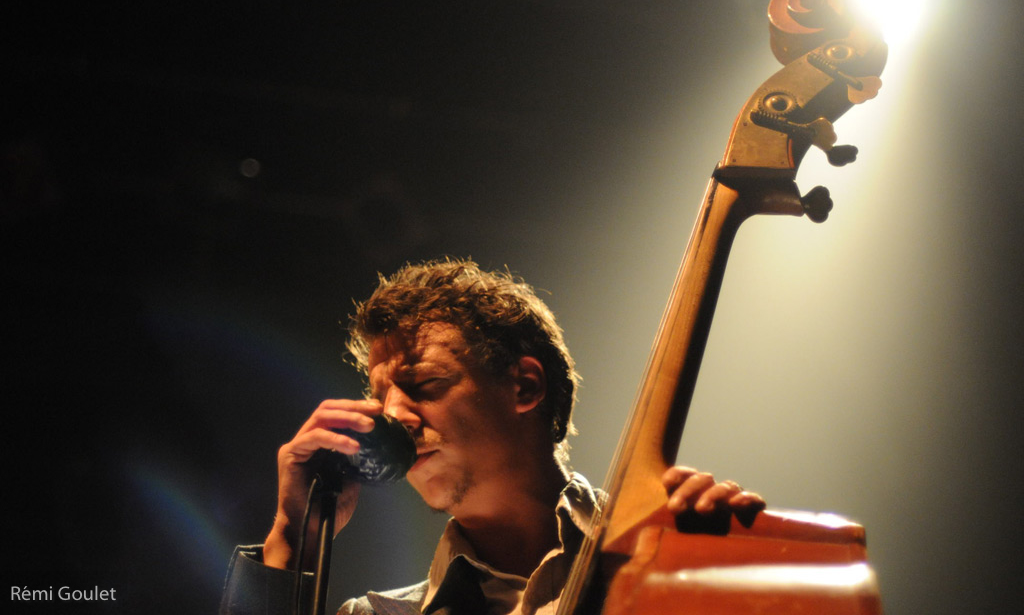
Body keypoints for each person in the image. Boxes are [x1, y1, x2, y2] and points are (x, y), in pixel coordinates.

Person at [220, 259, 765, 615]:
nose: (393, 417)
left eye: (425, 384)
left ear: (525, 386)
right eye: (381, 395)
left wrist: (724, 580)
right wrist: (293, 534)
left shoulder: (663, 554)